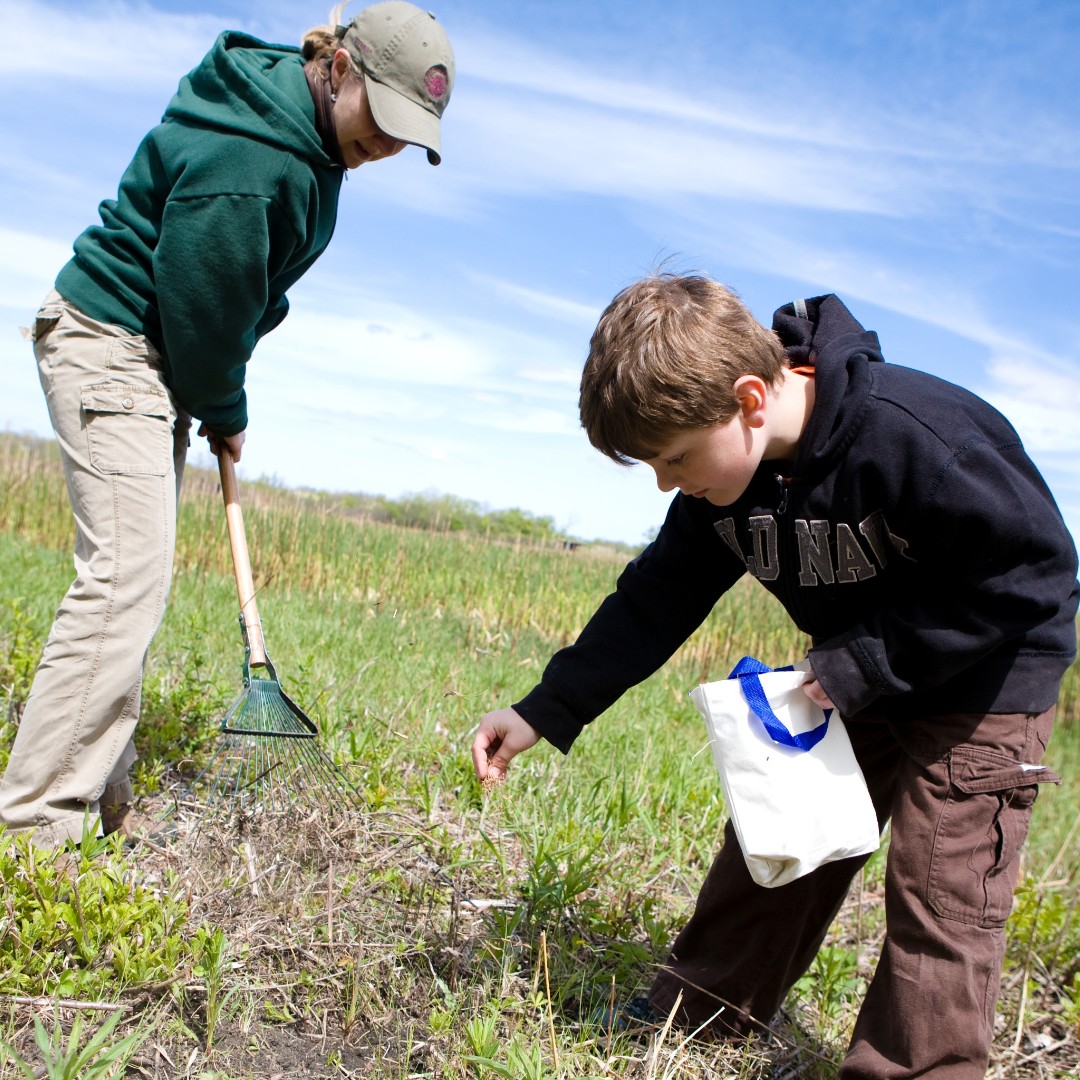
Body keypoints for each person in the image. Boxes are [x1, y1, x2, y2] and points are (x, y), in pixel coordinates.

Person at [471, 274, 1079, 1079]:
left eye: (675, 457)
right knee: (785, 830)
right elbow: (657, 597)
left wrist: (869, 660)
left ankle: (917, 1068)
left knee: (941, 894)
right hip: (855, 669)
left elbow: (1034, 574)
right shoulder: (727, 485)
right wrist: (546, 707)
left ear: (751, 398)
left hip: (985, 677)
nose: (666, 482)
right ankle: (706, 1012)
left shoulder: (916, 437)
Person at [0, 1, 455, 849]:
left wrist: (215, 386)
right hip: (115, 343)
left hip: (152, 353)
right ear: (343, 68)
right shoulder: (260, 155)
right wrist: (227, 403)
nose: (388, 146)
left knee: (133, 584)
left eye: (408, 134)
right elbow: (206, 302)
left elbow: (246, 293)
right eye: (383, 120)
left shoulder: (307, 139)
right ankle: (33, 831)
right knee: (122, 585)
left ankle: (103, 802)